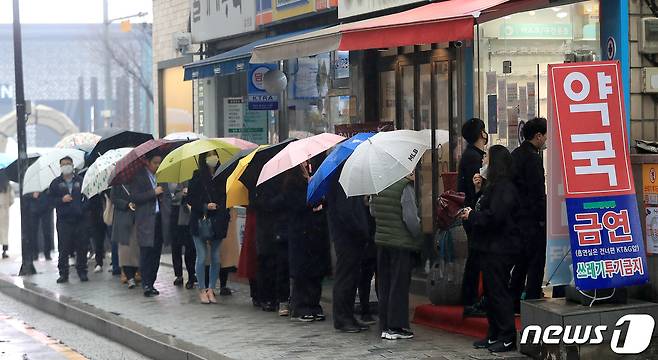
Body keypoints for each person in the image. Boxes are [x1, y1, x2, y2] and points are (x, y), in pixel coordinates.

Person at [460, 145, 521, 353]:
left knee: (498, 291)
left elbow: (495, 217)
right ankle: (494, 332)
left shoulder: (505, 187)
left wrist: (474, 216)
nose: (483, 161)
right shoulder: (492, 186)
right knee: (490, 292)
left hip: (500, 248)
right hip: (487, 247)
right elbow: (483, 208)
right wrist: (477, 193)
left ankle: (506, 335)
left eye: (486, 158)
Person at [370, 172, 421, 340]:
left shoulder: (379, 185)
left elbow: (373, 210)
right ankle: (396, 326)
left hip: (382, 241)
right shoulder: (404, 186)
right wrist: (421, 235)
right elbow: (411, 218)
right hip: (401, 242)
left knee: (385, 284)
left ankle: (385, 324)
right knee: (399, 285)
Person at [327, 166, 371, 333]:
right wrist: (361, 230)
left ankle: (348, 315)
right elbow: (347, 212)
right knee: (346, 277)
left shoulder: (348, 180)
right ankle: (342, 317)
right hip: (347, 237)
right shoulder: (343, 181)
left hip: (351, 236)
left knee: (352, 278)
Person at [510, 117, 547, 310]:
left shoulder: (516, 154)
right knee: (535, 262)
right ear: (538, 135)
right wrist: (543, 218)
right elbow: (537, 191)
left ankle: (514, 301)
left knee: (521, 262)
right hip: (532, 219)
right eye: (545, 135)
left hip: (518, 218)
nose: (546, 139)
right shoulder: (533, 158)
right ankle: (533, 302)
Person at [287, 162, 331, 323]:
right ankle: (301, 306)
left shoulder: (311, 179)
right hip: (301, 233)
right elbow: (295, 204)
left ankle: (314, 304)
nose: (306, 163)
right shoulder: (291, 182)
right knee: (302, 273)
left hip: (316, 232)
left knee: (315, 272)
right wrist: (311, 204)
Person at [187, 150, 230, 304]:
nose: (213, 158)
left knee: (216, 257)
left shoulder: (222, 175)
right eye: (209, 155)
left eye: (214, 154)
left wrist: (223, 210)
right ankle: (202, 289)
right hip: (200, 221)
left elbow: (226, 196)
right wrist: (205, 206)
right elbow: (190, 198)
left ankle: (211, 288)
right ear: (203, 158)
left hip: (218, 221)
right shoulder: (197, 175)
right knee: (202, 255)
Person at [458, 118, 488, 317]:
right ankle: (469, 299)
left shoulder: (473, 154)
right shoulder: (472, 157)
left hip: (471, 211)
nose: (486, 134)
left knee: (476, 257)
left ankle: (471, 298)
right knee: (476, 257)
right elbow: (474, 188)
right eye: (484, 130)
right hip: (472, 212)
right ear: (480, 134)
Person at [130, 152, 171, 297]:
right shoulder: (139, 176)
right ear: (148, 162)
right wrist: (152, 193)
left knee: (156, 253)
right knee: (146, 252)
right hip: (146, 220)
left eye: (160, 163)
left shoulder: (162, 177)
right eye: (155, 163)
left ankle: (152, 282)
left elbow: (167, 197)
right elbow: (135, 197)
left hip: (160, 219)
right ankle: (146, 283)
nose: (158, 166)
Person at [253, 175, 290, 314]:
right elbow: (263, 203)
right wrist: (283, 197)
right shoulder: (263, 180)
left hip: (281, 227)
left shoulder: (286, 178)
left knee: (281, 265)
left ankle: (279, 297)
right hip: (267, 230)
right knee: (268, 264)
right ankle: (267, 298)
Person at [49, 156, 88, 283]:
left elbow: (87, 198)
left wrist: (81, 208)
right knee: (64, 247)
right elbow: (49, 202)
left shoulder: (80, 181)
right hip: (64, 220)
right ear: (60, 167)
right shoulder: (55, 183)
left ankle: (82, 271)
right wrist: (61, 200)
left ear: (72, 165)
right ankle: (63, 273)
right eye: (64, 164)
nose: (66, 166)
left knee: (81, 247)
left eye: (68, 164)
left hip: (79, 219)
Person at [111, 184, 140, 289]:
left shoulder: (138, 179)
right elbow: (114, 198)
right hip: (122, 220)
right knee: (125, 252)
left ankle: (135, 273)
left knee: (136, 250)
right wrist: (127, 204)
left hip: (137, 219)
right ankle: (129, 277)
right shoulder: (117, 183)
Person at [171, 182, 196, 289]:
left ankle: (191, 275)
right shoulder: (171, 177)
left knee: (190, 247)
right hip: (175, 215)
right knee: (176, 246)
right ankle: (179, 275)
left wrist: (190, 194)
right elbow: (171, 196)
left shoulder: (195, 176)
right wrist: (182, 194)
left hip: (189, 216)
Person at [86, 192, 107, 273]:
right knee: (98, 241)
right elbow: (89, 205)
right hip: (96, 219)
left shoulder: (107, 190)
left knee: (112, 240)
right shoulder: (92, 193)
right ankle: (99, 262)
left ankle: (114, 262)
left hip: (108, 216)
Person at [0, 172, 14, 259]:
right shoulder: (7, 185)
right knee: (4, 231)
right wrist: (6, 205)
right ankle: (4, 251)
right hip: (4, 211)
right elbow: (12, 199)